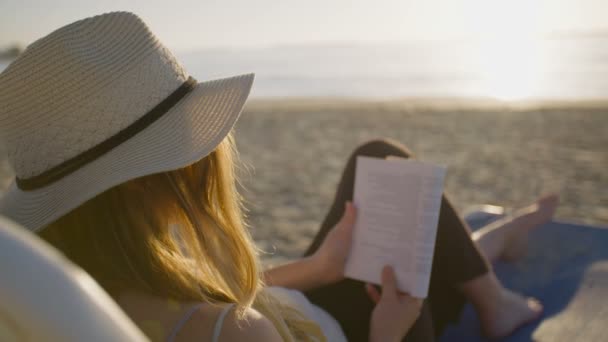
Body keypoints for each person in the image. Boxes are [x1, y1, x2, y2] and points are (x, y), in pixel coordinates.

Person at [0, 12, 559, 342]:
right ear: (150, 178)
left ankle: (493, 249)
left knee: (378, 162)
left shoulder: (62, 283)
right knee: (404, 247)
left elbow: (204, 295)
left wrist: (318, 268)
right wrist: (389, 332)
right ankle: (494, 294)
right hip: (339, 330)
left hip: (301, 309)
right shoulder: (240, 336)